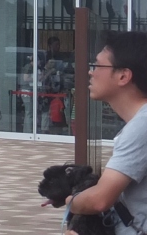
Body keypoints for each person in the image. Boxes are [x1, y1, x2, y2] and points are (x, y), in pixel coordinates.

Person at [60, 31, 147, 234]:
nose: (90, 72)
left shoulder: (141, 127)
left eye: (97, 65)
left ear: (123, 76)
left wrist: (69, 201)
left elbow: (100, 200)